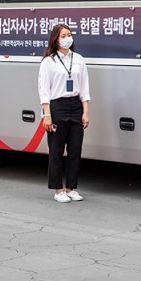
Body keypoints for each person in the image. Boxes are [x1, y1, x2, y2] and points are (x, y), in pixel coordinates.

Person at [38, 24, 91, 203]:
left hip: (75, 105)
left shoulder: (79, 59)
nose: (67, 38)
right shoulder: (49, 62)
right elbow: (44, 90)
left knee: (75, 149)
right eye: (63, 35)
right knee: (56, 150)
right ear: (56, 39)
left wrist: (85, 112)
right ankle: (58, 189)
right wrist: (47, 115)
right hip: (57, 107)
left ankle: (71, 188)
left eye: (69, 34)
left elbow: (84, 88)